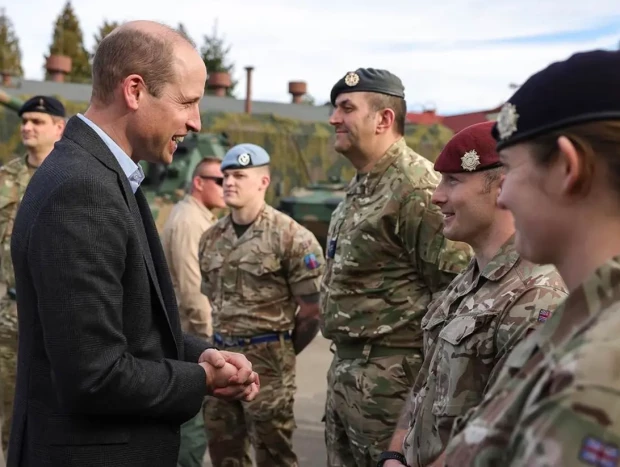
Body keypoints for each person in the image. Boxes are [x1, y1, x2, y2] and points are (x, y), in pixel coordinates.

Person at [7, 21, 258, 467]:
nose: (196, 122)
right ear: (135, 90)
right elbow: (95, 375)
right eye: (187, 102)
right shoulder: (81, 190)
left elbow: (127, 326)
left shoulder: (99, 175)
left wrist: (202, 354)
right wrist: (200, 379)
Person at [438, 48, 620, 466]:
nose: (503, 195)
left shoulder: (598, 375)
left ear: (567, 170)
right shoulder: (585, 317)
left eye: (509, 169)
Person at [379, 121, 568, 467]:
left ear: (502, 187)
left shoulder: (537, 297)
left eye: (453, 180)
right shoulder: (467, 279)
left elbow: (502, 432)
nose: (436, 195)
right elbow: (425, 385)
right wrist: (394, 453)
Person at [320, 67, 474, 467]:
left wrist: (426, 401)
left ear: (384, 119)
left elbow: (456, 294)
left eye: (346, 108)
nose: (334, 118)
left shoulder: (417, 188)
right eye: (335, 108)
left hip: (393, 388)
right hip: (349, 376)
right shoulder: (362, 184)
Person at [198, 143, 325, 467]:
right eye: (226, 175)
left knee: (274, 455)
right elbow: (213, 299)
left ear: (263, 182)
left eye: (240, 175)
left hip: (270, 366)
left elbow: (312, 311)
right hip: (223, 361)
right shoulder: (211, 238)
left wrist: (280, 353)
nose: (229, 182)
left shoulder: (292, 237)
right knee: (224, 454)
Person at [0, 95, 65, 461]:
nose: (27, 127)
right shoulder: (5, 179)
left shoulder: (72, 175)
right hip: (10, 316)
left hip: (59, 314)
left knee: (60, 414)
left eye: (37, 121)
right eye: (24, 120)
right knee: (12, 417)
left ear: (59, 127)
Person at [161, 156, 226, 467]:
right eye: (219, 180)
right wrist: (210, 344)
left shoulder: (200, 217)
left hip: (187, 337)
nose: (228, 186)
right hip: (190, 338)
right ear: (199, 183)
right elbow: (193, 292)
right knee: (192, 432)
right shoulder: (189, 221)